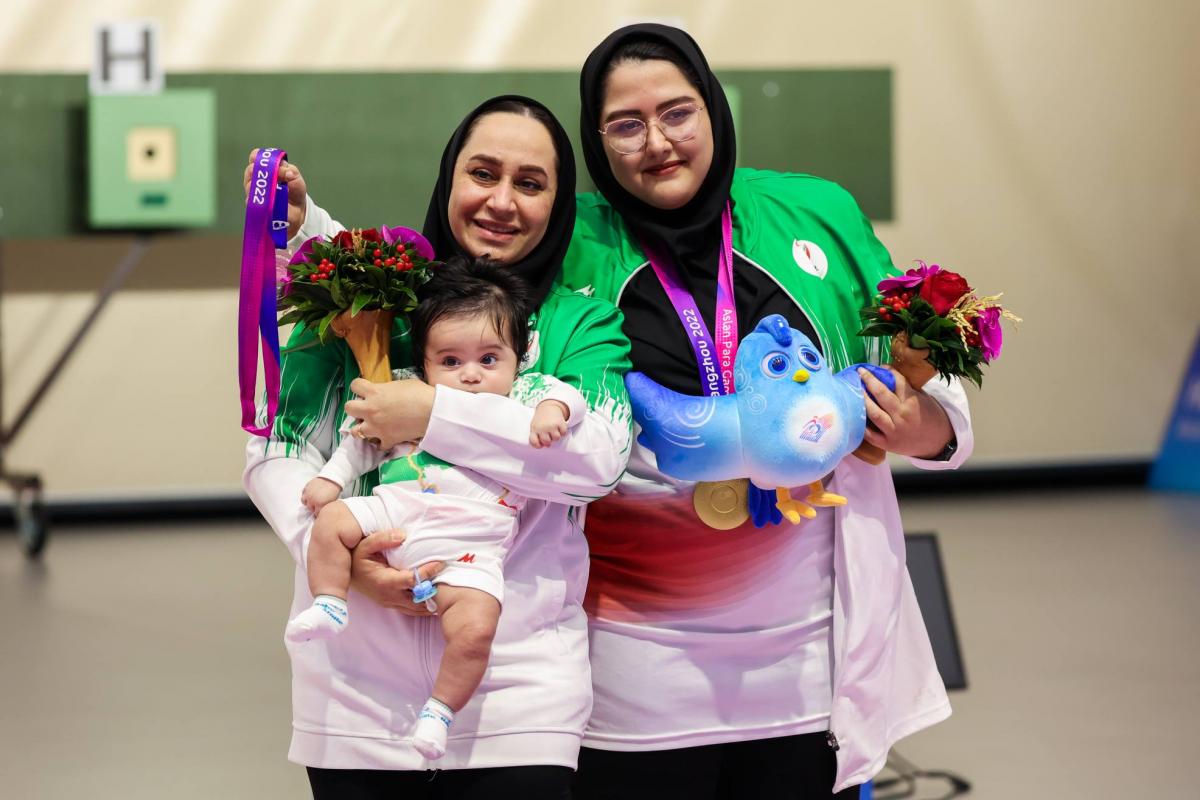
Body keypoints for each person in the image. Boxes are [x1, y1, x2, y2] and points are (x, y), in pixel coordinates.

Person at [557, 24, 974, 799]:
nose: (657, 142)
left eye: (677, 112)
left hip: (807, 663)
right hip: (632, 664)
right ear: (596, 138)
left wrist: (928, 424)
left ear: (714, 108)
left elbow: (920, 372)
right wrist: (309, 235)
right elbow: (452, 283)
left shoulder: (812, 212)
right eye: (625, 124)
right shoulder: (572, 242)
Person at [243, 96, 632, 799]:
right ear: (449, 178)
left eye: (531, 183)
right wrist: (343, 559)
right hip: (353, 695)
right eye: (482, 173)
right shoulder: (367, 302)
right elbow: (279, 453)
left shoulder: (581, 321)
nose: (502, 202)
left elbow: (596, 462)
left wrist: (432, 411)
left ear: (557, 203)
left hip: (519, 697)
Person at [288, 257, 587, 761]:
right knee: (333, 522)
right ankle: (330, 602)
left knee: (474, 631)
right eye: (450, 362)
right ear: (424, 363)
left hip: (471, 547)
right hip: (396, 512)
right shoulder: (406, 396)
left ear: (519, 356)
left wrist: (552, 415)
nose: (470, 375)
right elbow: (360, 439)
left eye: (488, 359)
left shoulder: (525, 395)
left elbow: (566, 396)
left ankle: (440, 712)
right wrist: (330, 479)